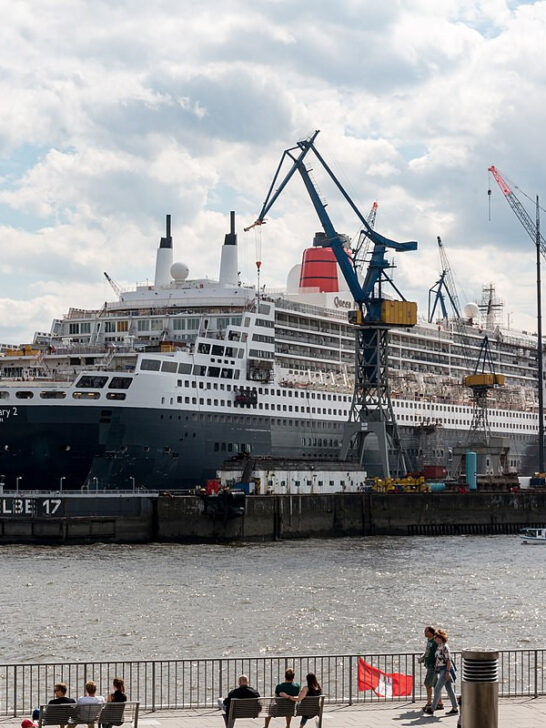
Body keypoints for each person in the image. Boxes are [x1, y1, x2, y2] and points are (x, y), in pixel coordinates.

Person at [425, 629, 458, 716]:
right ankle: (455, 708)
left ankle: (432, 708)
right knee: (449, 689)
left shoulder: (445, 647)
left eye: (436, 637)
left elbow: (448, 660)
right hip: (440, 669)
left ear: (440, 638)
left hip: (445, 670)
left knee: (437, 689)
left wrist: (447, 672)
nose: (434, 639)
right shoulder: (439, 646)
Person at [418, 626, 443, 711]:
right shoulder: (429, 641)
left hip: (433, 666)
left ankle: (429, 703)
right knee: (436, 685)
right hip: (429, 665)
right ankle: (439, 703)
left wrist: (437, 664)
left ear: (430, 632)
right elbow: (428, 652)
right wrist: (423, 657)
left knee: (427, 684)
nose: (424, 632)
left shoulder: (435, 641)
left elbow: (438, 653)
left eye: (426, 631)